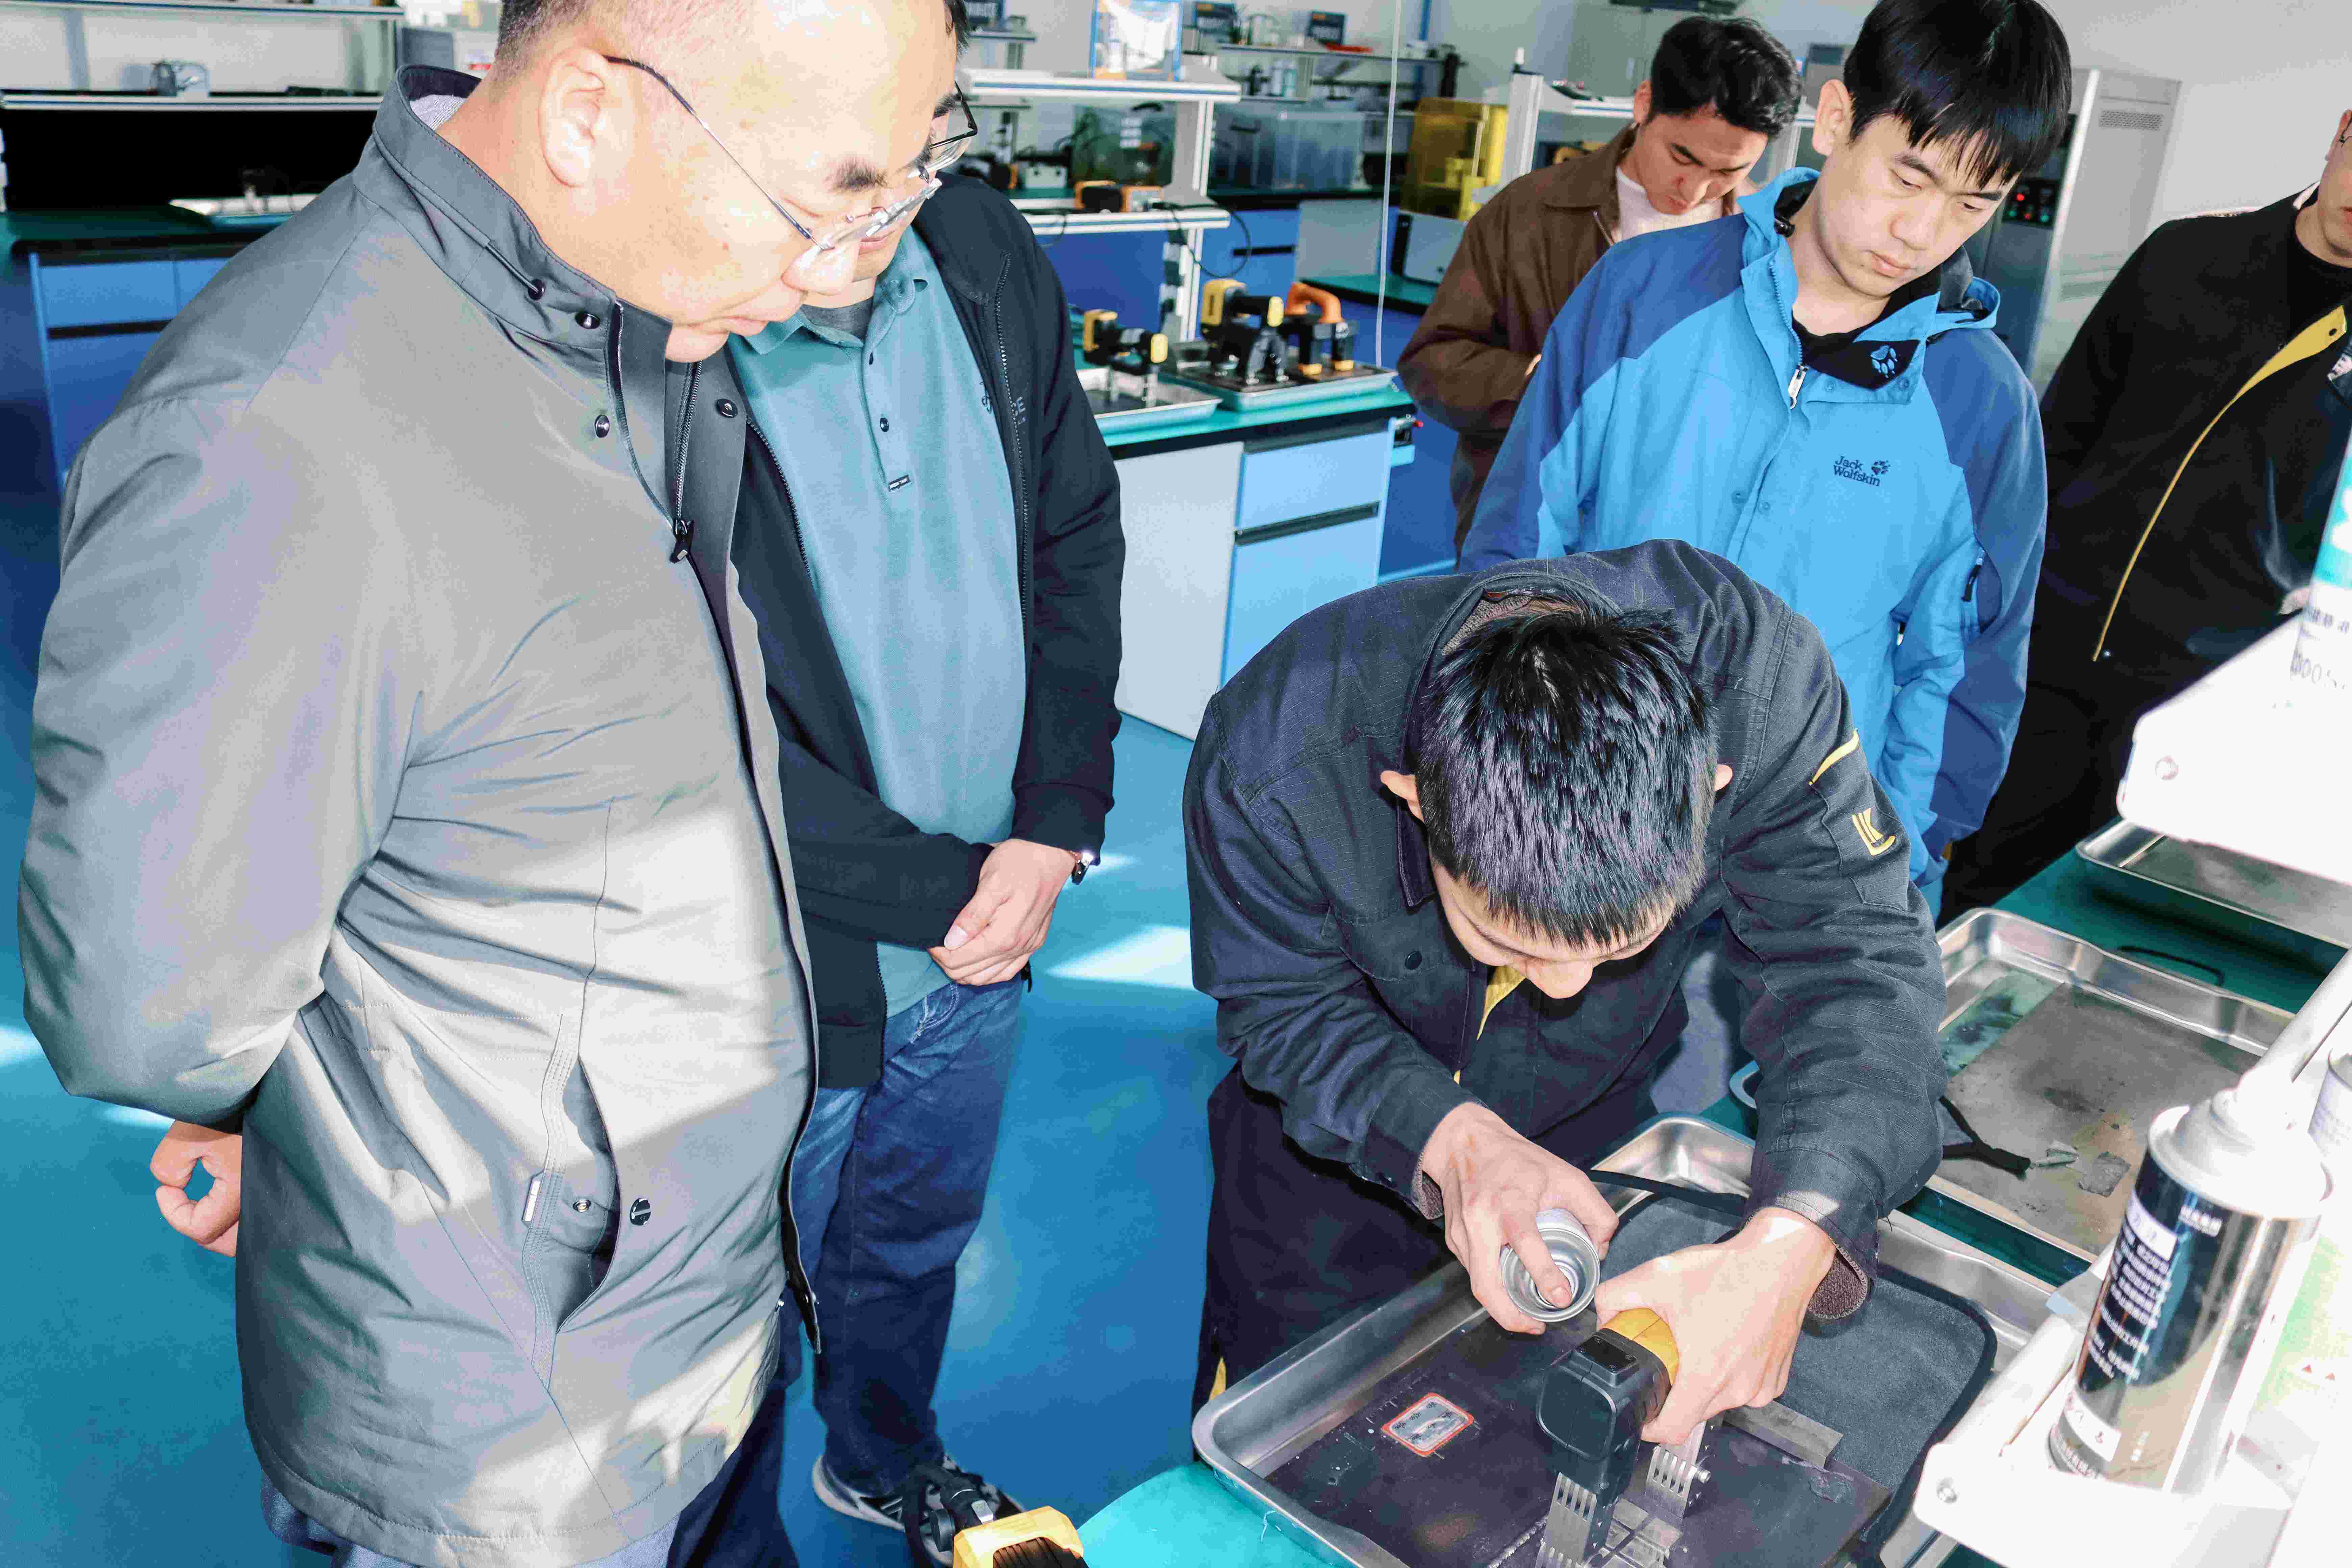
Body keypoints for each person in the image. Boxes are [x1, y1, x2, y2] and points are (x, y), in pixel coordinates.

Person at [25, 0, 963, 1563]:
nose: (848, 273)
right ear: (589, 112)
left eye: (913, 176)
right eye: (830, 198)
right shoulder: (282, 439)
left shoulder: (626, 309)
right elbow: (153, 1002)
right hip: (509, 1427)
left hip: (702, 1325)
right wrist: (291, 1113)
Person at [1184, 542, 1948, 1436]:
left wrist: (1797, 1235)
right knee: (1294, 1438)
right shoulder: (1277, 754)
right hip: (1331, 1158)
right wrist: (1451, 1139)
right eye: (1509, 943)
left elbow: (1853, 962)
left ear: (1713, 792)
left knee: (1529, 1430)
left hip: (1589, 1126)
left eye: (1623, 945)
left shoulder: (1764, 694)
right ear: (1415, 803)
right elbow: (1284, 1001)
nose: (1564, 987)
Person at [724, 59, 1123, 1554]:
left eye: (925, 147)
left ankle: (884, 1457)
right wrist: (947, 890)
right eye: (854, 174)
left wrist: (1055, 821)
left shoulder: (975, 243)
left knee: (911, 1237)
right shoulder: (667, 326)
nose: (897, 201)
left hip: (990, 919)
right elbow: (681, 719)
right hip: (789, 954)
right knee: (732, 1300)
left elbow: (1076, 531)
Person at [1460, 0, 2071, 915]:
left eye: (1972, 204)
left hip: (1806, 871)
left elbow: (1964, 674)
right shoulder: (1642, 294)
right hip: (1579, 815)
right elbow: (1517, 547)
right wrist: (1504, 773)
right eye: (1908, 177)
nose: (1922, 231)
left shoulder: (1981, 404)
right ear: (1836, 120)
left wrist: (1891, 868)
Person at [1944, 110, 2352, 912]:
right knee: (1977, 888)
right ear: (2343, 130)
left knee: (2112, 912)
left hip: (2196, 700)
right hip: (2051, 652)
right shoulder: (2189, 254)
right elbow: (2056, 442)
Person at [1397, 17, 1802, 553]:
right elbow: (1431, 362)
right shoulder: (1528, 212)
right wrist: (1545, 383)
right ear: (1644, 104)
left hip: (1677, 544)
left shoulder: (1768, 243)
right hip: (1528, 527)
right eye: (1681, 156)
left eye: (1727, 171)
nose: (1693, 191)